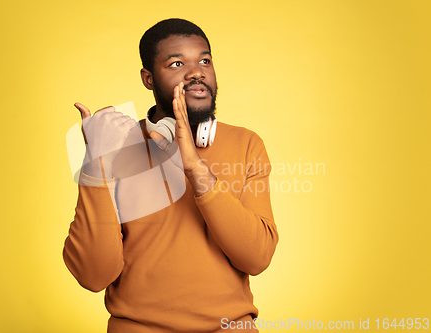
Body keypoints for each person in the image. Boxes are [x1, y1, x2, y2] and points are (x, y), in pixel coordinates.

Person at [63, 18, 279, 332]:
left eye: (204, 60)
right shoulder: (114, 149)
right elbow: (93, 276)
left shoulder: (246, 145)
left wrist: (195, 171)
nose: (196, 72)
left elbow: (256, 258)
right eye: (177, 63)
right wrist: (95, 165)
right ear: (148, 79)